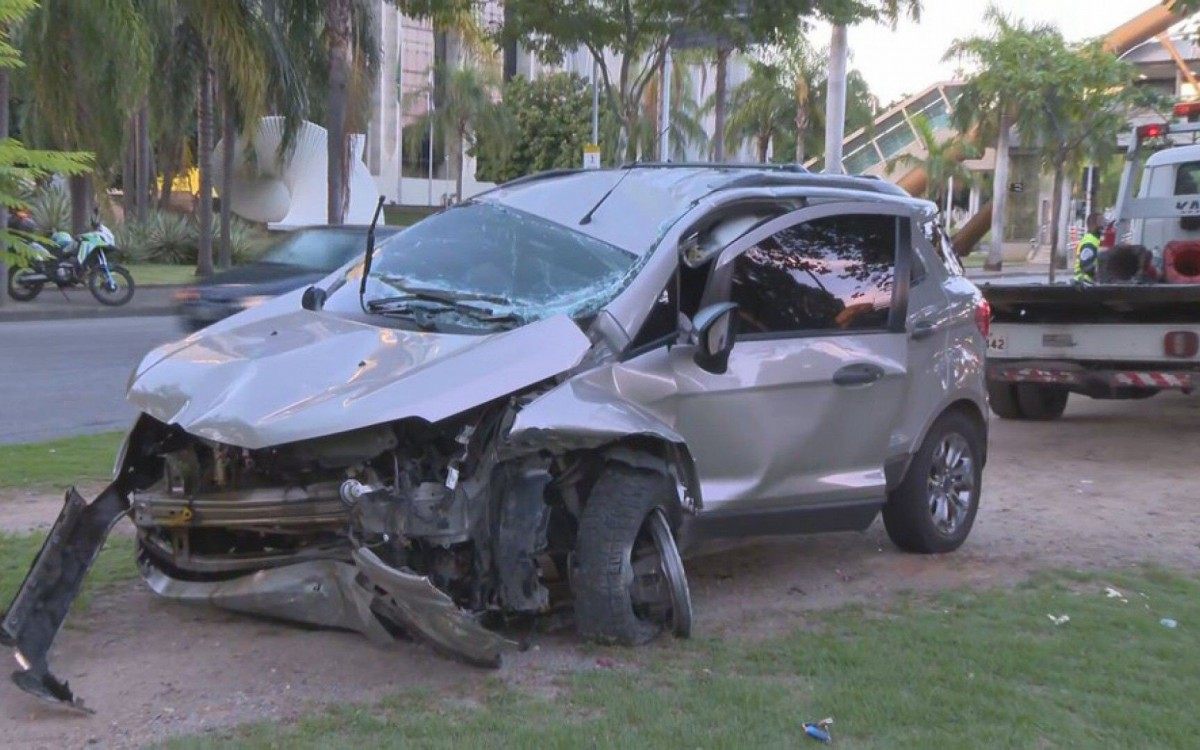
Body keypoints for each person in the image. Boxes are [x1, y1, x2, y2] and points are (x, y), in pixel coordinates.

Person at [1074, 212, 1104, 284]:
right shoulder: (1089, 242)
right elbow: (1086, 266)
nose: (1103, 225)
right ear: (1093, 224)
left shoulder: (1096, 239)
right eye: (1101, 222)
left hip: (1089, 283)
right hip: (1084, 283)